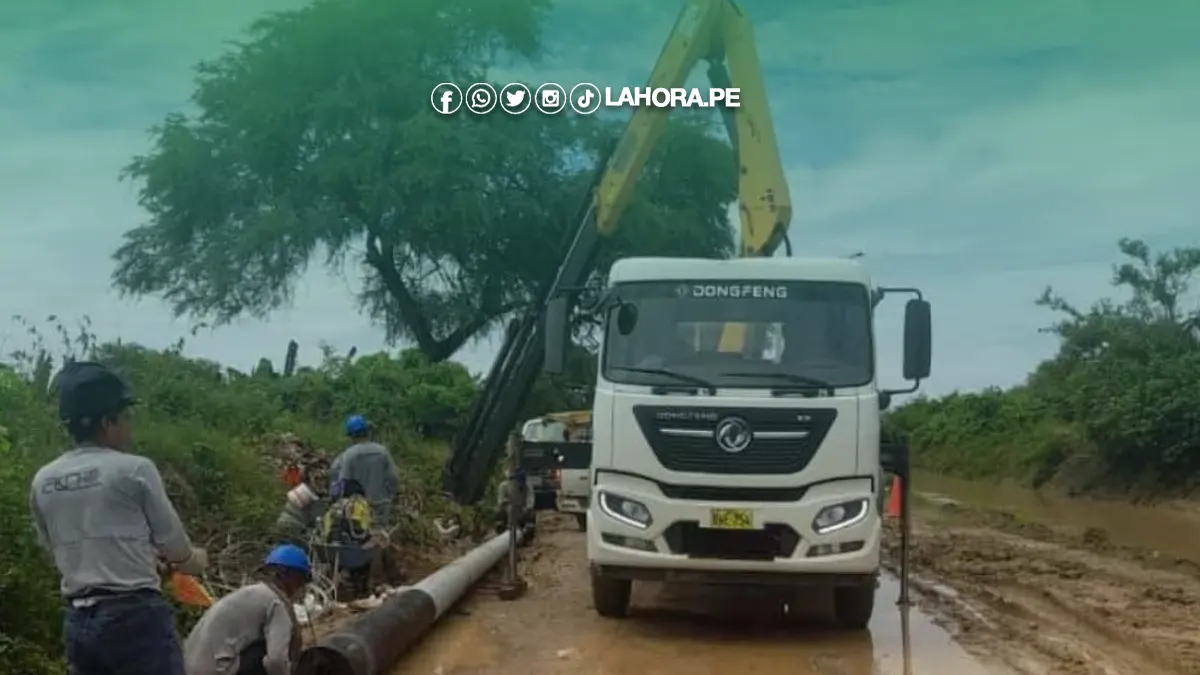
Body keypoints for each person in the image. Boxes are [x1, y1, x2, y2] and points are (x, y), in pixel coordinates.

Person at [30, 361, 207, 675]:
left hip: (79, 621)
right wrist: (196, 560)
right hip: (135, 617)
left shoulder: (43, 480)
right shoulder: (134, 469)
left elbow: (52, 551)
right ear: (107, 422)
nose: (129, 428)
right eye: (125, 418)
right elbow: (177, 549)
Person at [183, 544, 310, 675]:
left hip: (188, 668)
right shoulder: (276, 602)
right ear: (288, 575)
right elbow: (276, 660)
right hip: (216, 671)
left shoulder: (250, 593)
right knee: (269, 651)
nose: (300, 588)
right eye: (301, 581)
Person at [330, 414, 400, 581]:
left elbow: (343, 483)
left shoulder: (349, 455)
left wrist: (335, 500)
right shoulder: (382, 452)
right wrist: (390, 495)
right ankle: (384, 575)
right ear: (367, 431)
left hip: (358, 509)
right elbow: (393, 478)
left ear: (351, 435)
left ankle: (362, 575)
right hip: (381, 505)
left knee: (359, 541)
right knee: (380, 538)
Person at [319, 478, 374, 597]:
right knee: (364, 556)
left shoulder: (333, 507)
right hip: (351, 548)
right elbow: (362, 530)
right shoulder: (359, 504)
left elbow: (325, 529)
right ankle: (360, 590)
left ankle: (334, 585)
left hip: (330, 550)